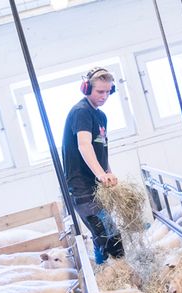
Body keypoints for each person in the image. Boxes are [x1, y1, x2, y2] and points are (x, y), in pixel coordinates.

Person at [62, 66, 124, 264]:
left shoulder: (100, 116)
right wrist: (100, 175)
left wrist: (108, 172)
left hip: (96, 186)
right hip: (82, 187)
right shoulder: (81, 112)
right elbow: (84, 144)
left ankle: (107, 268)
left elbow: (100, 149)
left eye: (108, 91)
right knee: (109, 236)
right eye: (100, 91)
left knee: (107, 234)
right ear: (87, 88)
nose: (104, 96)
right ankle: (111, 274)